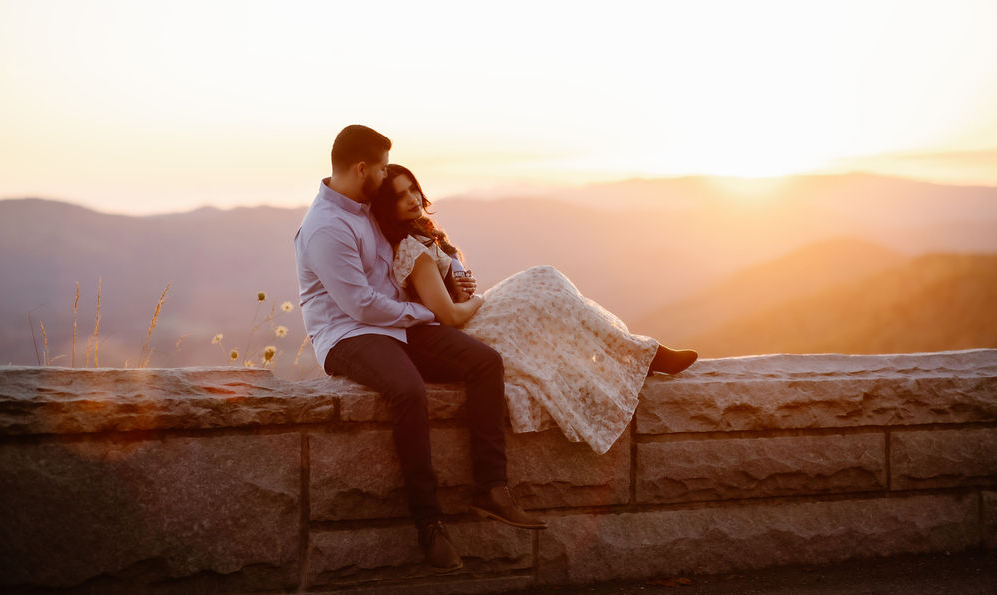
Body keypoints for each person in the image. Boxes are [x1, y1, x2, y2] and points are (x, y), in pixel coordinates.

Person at [294, 125, 545, 575]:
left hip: (397, 320)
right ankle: (429, 522)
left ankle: (492, 487)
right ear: (361, 168)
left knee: (484, 362)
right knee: (409, 391)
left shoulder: (366, 207)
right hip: (348, 335)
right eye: (384, 167)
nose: (389, 175)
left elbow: (406, 256)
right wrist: (433, 313)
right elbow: (362, 307)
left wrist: (451, 281)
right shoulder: (325, 228)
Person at [371, 164, 698, 456]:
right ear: (388, 208)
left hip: (470, 311)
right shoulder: (412, 250)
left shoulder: (423, 232)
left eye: (413, 188)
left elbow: (449, 297)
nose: (413, 198)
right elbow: (450, 317)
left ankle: (638, 350)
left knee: (545, 281)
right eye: (401, 196)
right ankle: (644, 353)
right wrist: (476, 300)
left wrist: (461, 290)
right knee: (544, 287)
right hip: (466, 330)